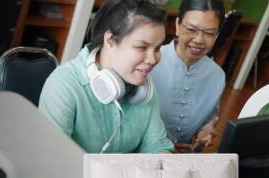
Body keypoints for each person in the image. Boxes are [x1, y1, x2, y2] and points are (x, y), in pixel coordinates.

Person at [39, 0, 173, 154]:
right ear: (110, 40)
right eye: (141, 47)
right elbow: (50, 159)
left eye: (157, 48)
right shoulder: (64, 85)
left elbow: (157, 147)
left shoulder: (143, 88)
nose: (153, 59)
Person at [150, 0, 225, 152]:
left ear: (217, 35)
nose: (198, 40)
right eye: (191, 29)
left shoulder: (217, 76)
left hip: (184, 156)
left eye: (209, 33)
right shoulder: (150, 61)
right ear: (177, 25)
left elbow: (209, 120)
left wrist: (206, 132)